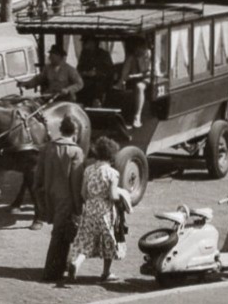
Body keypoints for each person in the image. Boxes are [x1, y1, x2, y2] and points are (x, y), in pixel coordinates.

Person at [69, 137, 133, 282]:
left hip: (90, 209)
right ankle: (106, 272)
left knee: (87, 240)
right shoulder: (112, 173)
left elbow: (83, 193)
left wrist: (92, 200)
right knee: (108, 240)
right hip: (105, 211)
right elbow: (112, 195)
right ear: (111, 156)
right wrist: (122, 195)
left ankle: (76, 263)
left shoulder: (88, 170)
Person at [38, 118, 87, 272]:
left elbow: (38, 174)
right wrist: (78, 205)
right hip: (66, 198)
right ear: (75, 132)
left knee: (61, 230)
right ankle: (51, 270)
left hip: (50, 194)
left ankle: (60, 265)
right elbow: (76, 180)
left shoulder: (48, 148)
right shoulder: (75, 151)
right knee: (60, 232)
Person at [120, 39, 153, 128]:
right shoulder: (133, 57)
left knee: (139, 87)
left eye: (138, 48)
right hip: (138, 77)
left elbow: (149, 72)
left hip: (152, 77)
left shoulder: (149, 55)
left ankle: (137, 116)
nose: (136, 51)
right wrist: (123, 79)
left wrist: (134, 76)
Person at [76, 37, 117, 107]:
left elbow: (110, 71)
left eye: (86, 42)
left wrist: (97, 73)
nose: (83, 44)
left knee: (98, 86)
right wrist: (85, 73)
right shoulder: (84, 54)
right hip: (86, 80)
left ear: (93, 43)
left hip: (102, 81)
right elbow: (79, 68)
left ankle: (97, 104)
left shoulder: (104, 54)